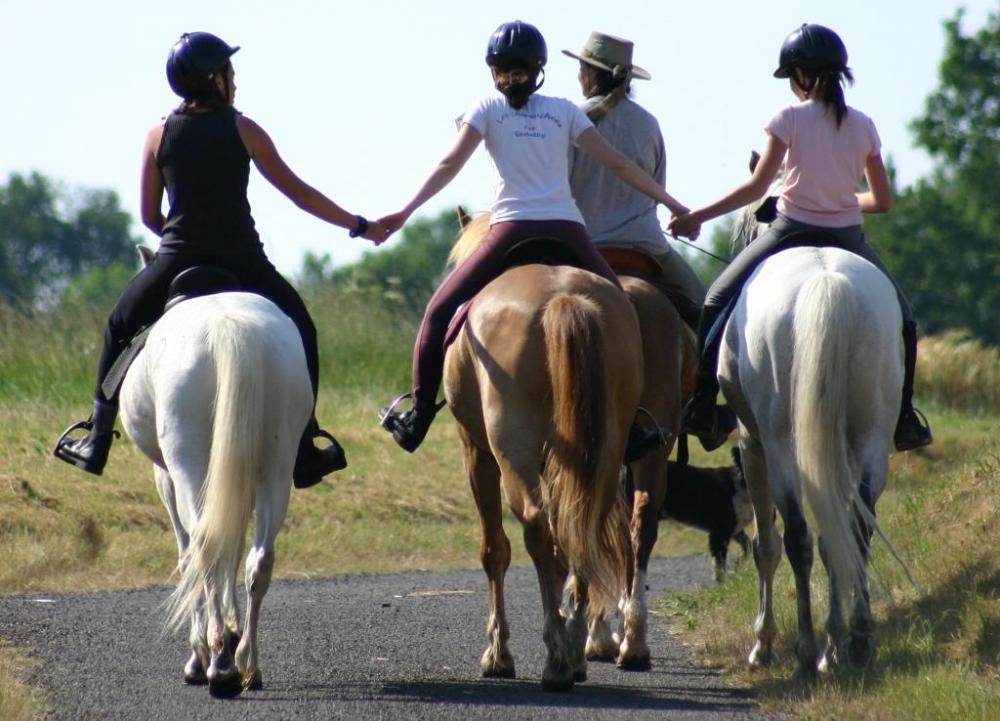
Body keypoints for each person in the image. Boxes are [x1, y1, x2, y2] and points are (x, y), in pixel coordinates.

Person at [53, 31, 388, 487]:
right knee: (302, 328)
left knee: (119, 326)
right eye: (230, 70)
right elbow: (299, 194)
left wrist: (179, 239)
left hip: (176, 258)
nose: (236, 79)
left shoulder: (158, 134)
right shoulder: (244, 129)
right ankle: (305, 444)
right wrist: (358, 224)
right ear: (215, 78)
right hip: (244, 261)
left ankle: (96, 438)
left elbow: (150, 215)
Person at [377, 20, 690, 453]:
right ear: (539, 67)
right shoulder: (564, 109)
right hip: (568, 231)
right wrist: (673, 203)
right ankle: (633, 418)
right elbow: (618, 164)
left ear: (494, 71)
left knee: (436, 313)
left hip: (510, 231)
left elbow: (448, 165)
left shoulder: (485, 107)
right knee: (624, 314)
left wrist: (404, 211)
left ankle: (417, 415)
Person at [669, 23, 932, 452]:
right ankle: (903, 416)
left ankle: (702, 402)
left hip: (789, 231)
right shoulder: (864, 125)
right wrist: (841, 199)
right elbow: (882, 201)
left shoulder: (787, 119)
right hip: (848, 238)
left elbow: (756, 190)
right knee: (904, 319)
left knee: (716, 298)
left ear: (802, 76)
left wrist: (696, 215)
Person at [565, 31, 705, 331]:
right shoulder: (649, 123)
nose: (579, 75)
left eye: (581, 68)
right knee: (710, 315)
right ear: (628, 80)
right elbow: (656, 190)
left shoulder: (571, 119)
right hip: (646, 249)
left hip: (581, 247)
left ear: (589, 73)